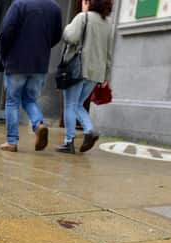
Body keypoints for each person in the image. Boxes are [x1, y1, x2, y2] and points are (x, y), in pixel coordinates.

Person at [0, 0, 62, 152]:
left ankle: (12, 142)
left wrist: (5, 55)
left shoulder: (19, 4)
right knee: (29, 99)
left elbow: (6, 31)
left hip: (16, 62)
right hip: (39, 63)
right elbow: (57, 35)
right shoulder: (54, 8)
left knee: (12, 101)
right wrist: (42, 47)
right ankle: (39, 125)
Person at [56, 0, 113, 154]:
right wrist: (106, 77)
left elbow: (70, 37)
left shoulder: (83, 17)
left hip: (78, 69)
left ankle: (69, 142)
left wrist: (68, 27)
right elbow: (109, 54)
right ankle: (89, 131)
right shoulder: (108, 24)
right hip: (96, 73)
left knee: (70, 105)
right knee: (78, 104)